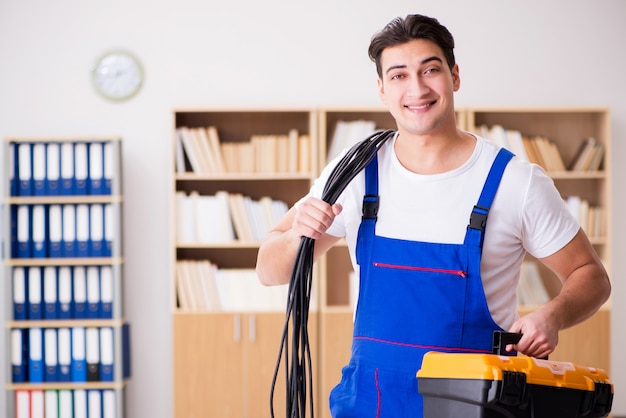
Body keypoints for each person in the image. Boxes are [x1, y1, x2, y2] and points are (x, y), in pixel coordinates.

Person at [256, 13, 611, 417]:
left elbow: (591, 275)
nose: (417, 88)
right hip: (370, 404)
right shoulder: (354, 174)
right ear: (382, 90)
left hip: (476, 407)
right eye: (399, 75)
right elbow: (270, 270)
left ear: (454, 76)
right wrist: (294, 237)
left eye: (430, 70)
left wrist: (553, 314)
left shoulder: (514, 182)